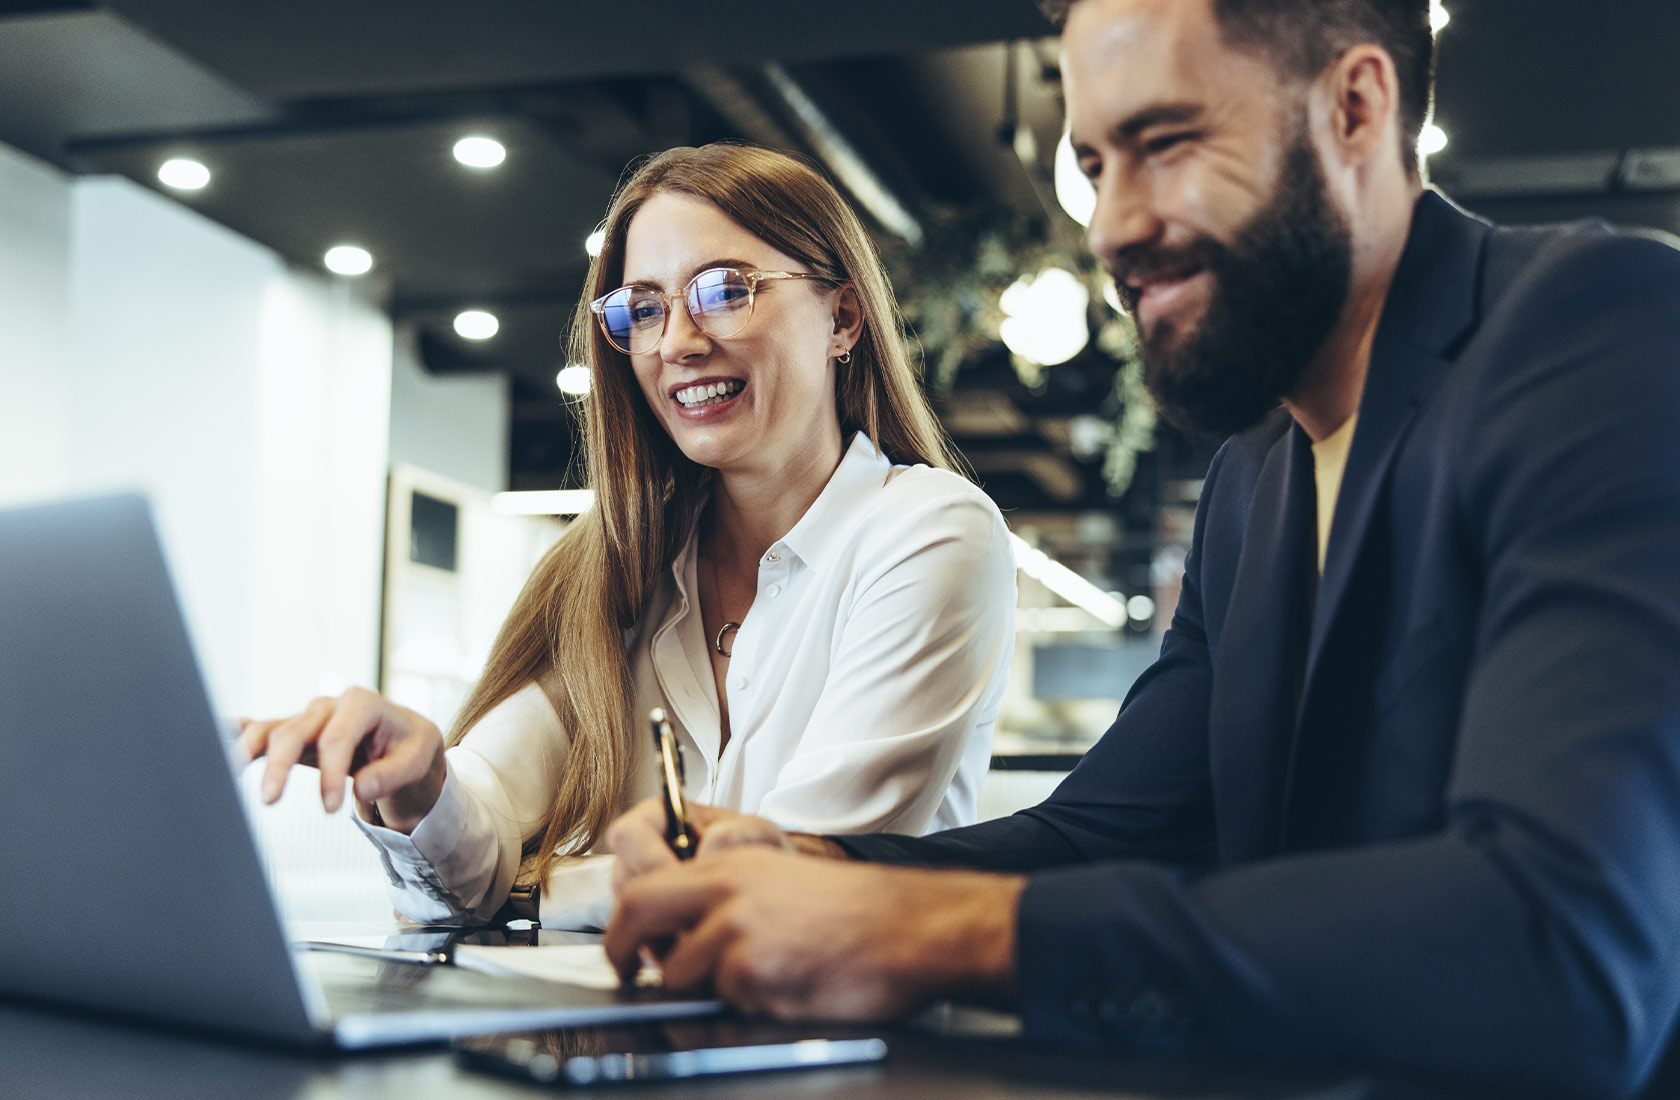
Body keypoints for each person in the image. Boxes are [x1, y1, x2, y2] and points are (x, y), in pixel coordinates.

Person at [601, 1, 1680, 1096]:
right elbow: (1110, 830)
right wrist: (809, 864)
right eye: (1091, 166)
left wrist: (945, 932)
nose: (1112, 224)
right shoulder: (1256, 470)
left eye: (1164, 145)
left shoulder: (1600, 332)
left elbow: (1566, 947)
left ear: (1355, 107)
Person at [238, 143, 1016, 929]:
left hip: (859, 1045)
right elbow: (478, 832)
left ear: (842, 318)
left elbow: (795, 876)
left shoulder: (931, 533)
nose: (677, 340)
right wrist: (420, 783)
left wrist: (535, 890)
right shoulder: (619, 568)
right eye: (643, 308)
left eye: (723, 290)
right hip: (640, 1043)